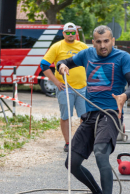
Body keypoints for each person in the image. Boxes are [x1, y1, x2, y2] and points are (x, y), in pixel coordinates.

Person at [57, 25, 130, 194]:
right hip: (90, 115)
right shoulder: (87, 54)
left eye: (106, 41)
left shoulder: (123, 58)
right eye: (98, 42)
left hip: (110, 114)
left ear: (113, 41)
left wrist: (124, 96)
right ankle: (97, 193)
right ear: (93, 42)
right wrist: (62, 66)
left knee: (101, 153)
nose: (103, 45)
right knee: (71, 163)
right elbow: (63, 61)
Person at [40, 22, 88, 152]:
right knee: (66, 116)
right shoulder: (57, 46)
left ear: (76, 33)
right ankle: (68, 143)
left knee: (85, 117)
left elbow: (92, 62)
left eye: (73, 32)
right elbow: (44, 65)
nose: (71, 34)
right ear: (64, 33)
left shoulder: (83, 46)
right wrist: (56, 82)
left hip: (82, 88)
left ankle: (82, 142)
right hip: (65, 88)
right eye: (68, 32)